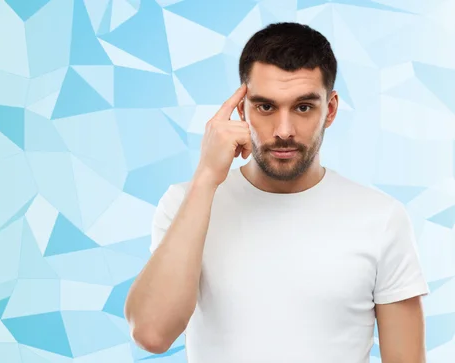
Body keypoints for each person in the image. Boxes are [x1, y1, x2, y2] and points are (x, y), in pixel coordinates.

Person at [123, 22, 430, 363]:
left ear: (329, 110)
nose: (284, 131)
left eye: (303, 107)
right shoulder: (187, 203)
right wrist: (207, 177)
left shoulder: (381, 218)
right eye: (266, 107)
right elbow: (151, 334)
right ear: (242, 110)